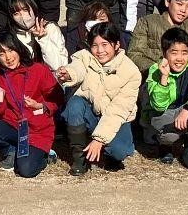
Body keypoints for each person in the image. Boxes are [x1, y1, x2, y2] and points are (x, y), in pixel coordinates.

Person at [59, 21, 142, 175]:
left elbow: (119, 109)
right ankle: (80, 158)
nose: (100, 50)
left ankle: (109, 154)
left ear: (116, 45)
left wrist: (99, 139)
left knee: (119, 150)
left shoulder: (131, 71)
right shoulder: (85, 57)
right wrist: (70, 74)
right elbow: (78, 68)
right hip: (91, 112)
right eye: (95, 45)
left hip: (116, 118)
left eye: (105, 44)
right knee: (75, 104)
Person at [0, 31, 60, 179]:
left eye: (10, 50)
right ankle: (11, 149)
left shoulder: (38, 69)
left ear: (18, 48)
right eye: (1, 54)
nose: (8, 57)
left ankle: (45, 156)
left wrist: (41, 106)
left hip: (38, 129)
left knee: (26, 171)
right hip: (14, 125)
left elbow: (57, 98)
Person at [142, 28, 188, 172]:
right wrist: (163, 78)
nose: (179, 58)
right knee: (168, 134)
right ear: (164, 53)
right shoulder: (155, 70)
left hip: (182, 109)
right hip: (162, 113)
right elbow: (159, 106)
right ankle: (164, 146)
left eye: (184, 52)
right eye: (174, 53)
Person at [5, 0, 70, 72]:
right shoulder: (11, 35)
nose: (22, 16)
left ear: (33, 8)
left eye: (25, 9)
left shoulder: (50, 28)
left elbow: (57, 66)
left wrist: (42, 38)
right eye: (16, 13)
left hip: (51, 79)